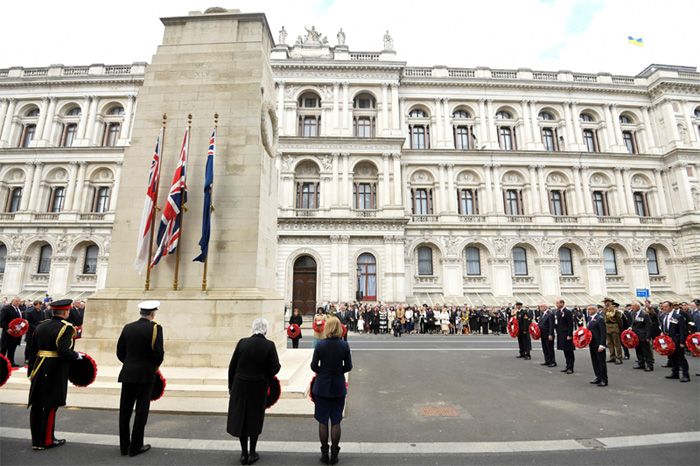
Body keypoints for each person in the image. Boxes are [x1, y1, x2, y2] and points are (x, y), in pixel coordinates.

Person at [26, 299, 82, 450]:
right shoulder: (67, 328)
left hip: (38, 366)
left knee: (37, 404)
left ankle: (36, 440)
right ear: (65, 312)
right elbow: (63, 351)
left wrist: (31, 370)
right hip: (55, 368)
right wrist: (76, 356)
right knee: (50, 404)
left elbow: (32, 350)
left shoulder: (41, 325)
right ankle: (47, 440)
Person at [227, 318, 281, 465]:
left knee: (242, 418)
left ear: (253, 328)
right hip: (258, 386)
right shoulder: (269, 345)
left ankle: (243, 453)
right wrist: (267, 375)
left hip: (240, 385)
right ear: (265, 330)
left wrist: (231, 386)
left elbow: (232, 366)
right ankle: (252, 452)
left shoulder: (242, 342)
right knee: (254, 418)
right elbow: (275, 367)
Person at [116, 300, 165, 457]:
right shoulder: (155, 328)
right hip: (145, 375)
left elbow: (120, 351)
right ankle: (136, 446)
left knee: (125, 412)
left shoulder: (128, 327)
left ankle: (124, 446)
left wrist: (130, 364)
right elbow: (159, 353)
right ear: (152, 313)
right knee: (141, 412)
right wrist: (152, 367)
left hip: (128, 374)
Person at [311, 316, 352, 465]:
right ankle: (334, 453)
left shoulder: (320, 345)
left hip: (322, 386)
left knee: (322, 420)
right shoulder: (344, 345)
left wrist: (323, 371)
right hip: (338, 385)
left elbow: (313, 366)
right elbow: (349, 366)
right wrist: (337, 371)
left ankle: (324, 453)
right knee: (336, 420)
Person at [659, 301, 690, 382]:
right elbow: (663, 327)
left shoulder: (678, 316)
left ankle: (686, 375)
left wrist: (682, 342)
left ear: (671, 307)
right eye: (663, 307)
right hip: (668, 341)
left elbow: (682, 330)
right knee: (672, 357)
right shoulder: (663, 316)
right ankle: (675, 373)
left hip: (677, 340)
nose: (664, 308)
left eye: (666, 307)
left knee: (681, 358)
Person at [587, 304, 608, 387]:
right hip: (592, 343)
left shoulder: (599, 319)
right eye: (588, 310)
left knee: (601, 362)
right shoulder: (590, 318)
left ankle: (604, 379)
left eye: (590, 310)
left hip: (598, 344)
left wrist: (602, 344)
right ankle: (598, 377)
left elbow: (603, 332)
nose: (589, 311)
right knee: (595, 361)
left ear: (595, 310)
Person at [630, 301, 654, 372]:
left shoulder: (644, 314)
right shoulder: (633, 313)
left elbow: (649, 326)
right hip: (636, 336)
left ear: (637, 307)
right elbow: (633, 324)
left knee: (646, 351)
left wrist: (648, 337)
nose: (632, 308)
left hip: (643, 336)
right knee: (638, 350)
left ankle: (649, 365)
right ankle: (641, 363)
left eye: (633, 306)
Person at [1, 296, 24, 367]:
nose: (17, 303)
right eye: (16, 301)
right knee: (4, 348)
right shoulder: (6, 309)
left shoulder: (19, 309)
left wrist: (21, 327)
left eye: (19, 301)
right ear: (12, 301)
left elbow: (22, 321)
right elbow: (2, 320)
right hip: (8, 333)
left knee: (12, 348)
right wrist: (7, 329)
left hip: (16, 333)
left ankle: (11, 362)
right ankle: (1, 362)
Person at [555, 298, 575, 374]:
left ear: (562, 303)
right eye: (556, 303)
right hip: (561, 334)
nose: (556, 305)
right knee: (565, 351)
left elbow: (570, 324)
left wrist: (570, 334)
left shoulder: (567, 312)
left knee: (569, 351)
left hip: (567, 334)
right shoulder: (558, 312)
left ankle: (571, 367)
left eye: (558, 303)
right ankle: (567, 366)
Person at [24, 300, 46, 366]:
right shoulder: (30, 312)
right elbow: (28, 323)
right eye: (39, 304)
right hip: (31, 332)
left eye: (41, 304)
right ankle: (27, 358)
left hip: (39, 332)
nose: (40, 306)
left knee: (36, 346)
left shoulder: (42, 312)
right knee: (29, 346)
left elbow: (44, 320)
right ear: (35, 305)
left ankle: (34, 358)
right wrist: (36, 327)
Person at [603, 298, 624, 364]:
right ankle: (612, 357)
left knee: (617, 344)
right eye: (605, 302)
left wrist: (620, 329)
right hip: (607, 328)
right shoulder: (604, 310)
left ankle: (619, 358)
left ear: (611, 302)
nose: (606, 303)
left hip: (614, 327)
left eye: (607, 302)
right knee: (610, 344)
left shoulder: (615, 310)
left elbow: (619, 320)